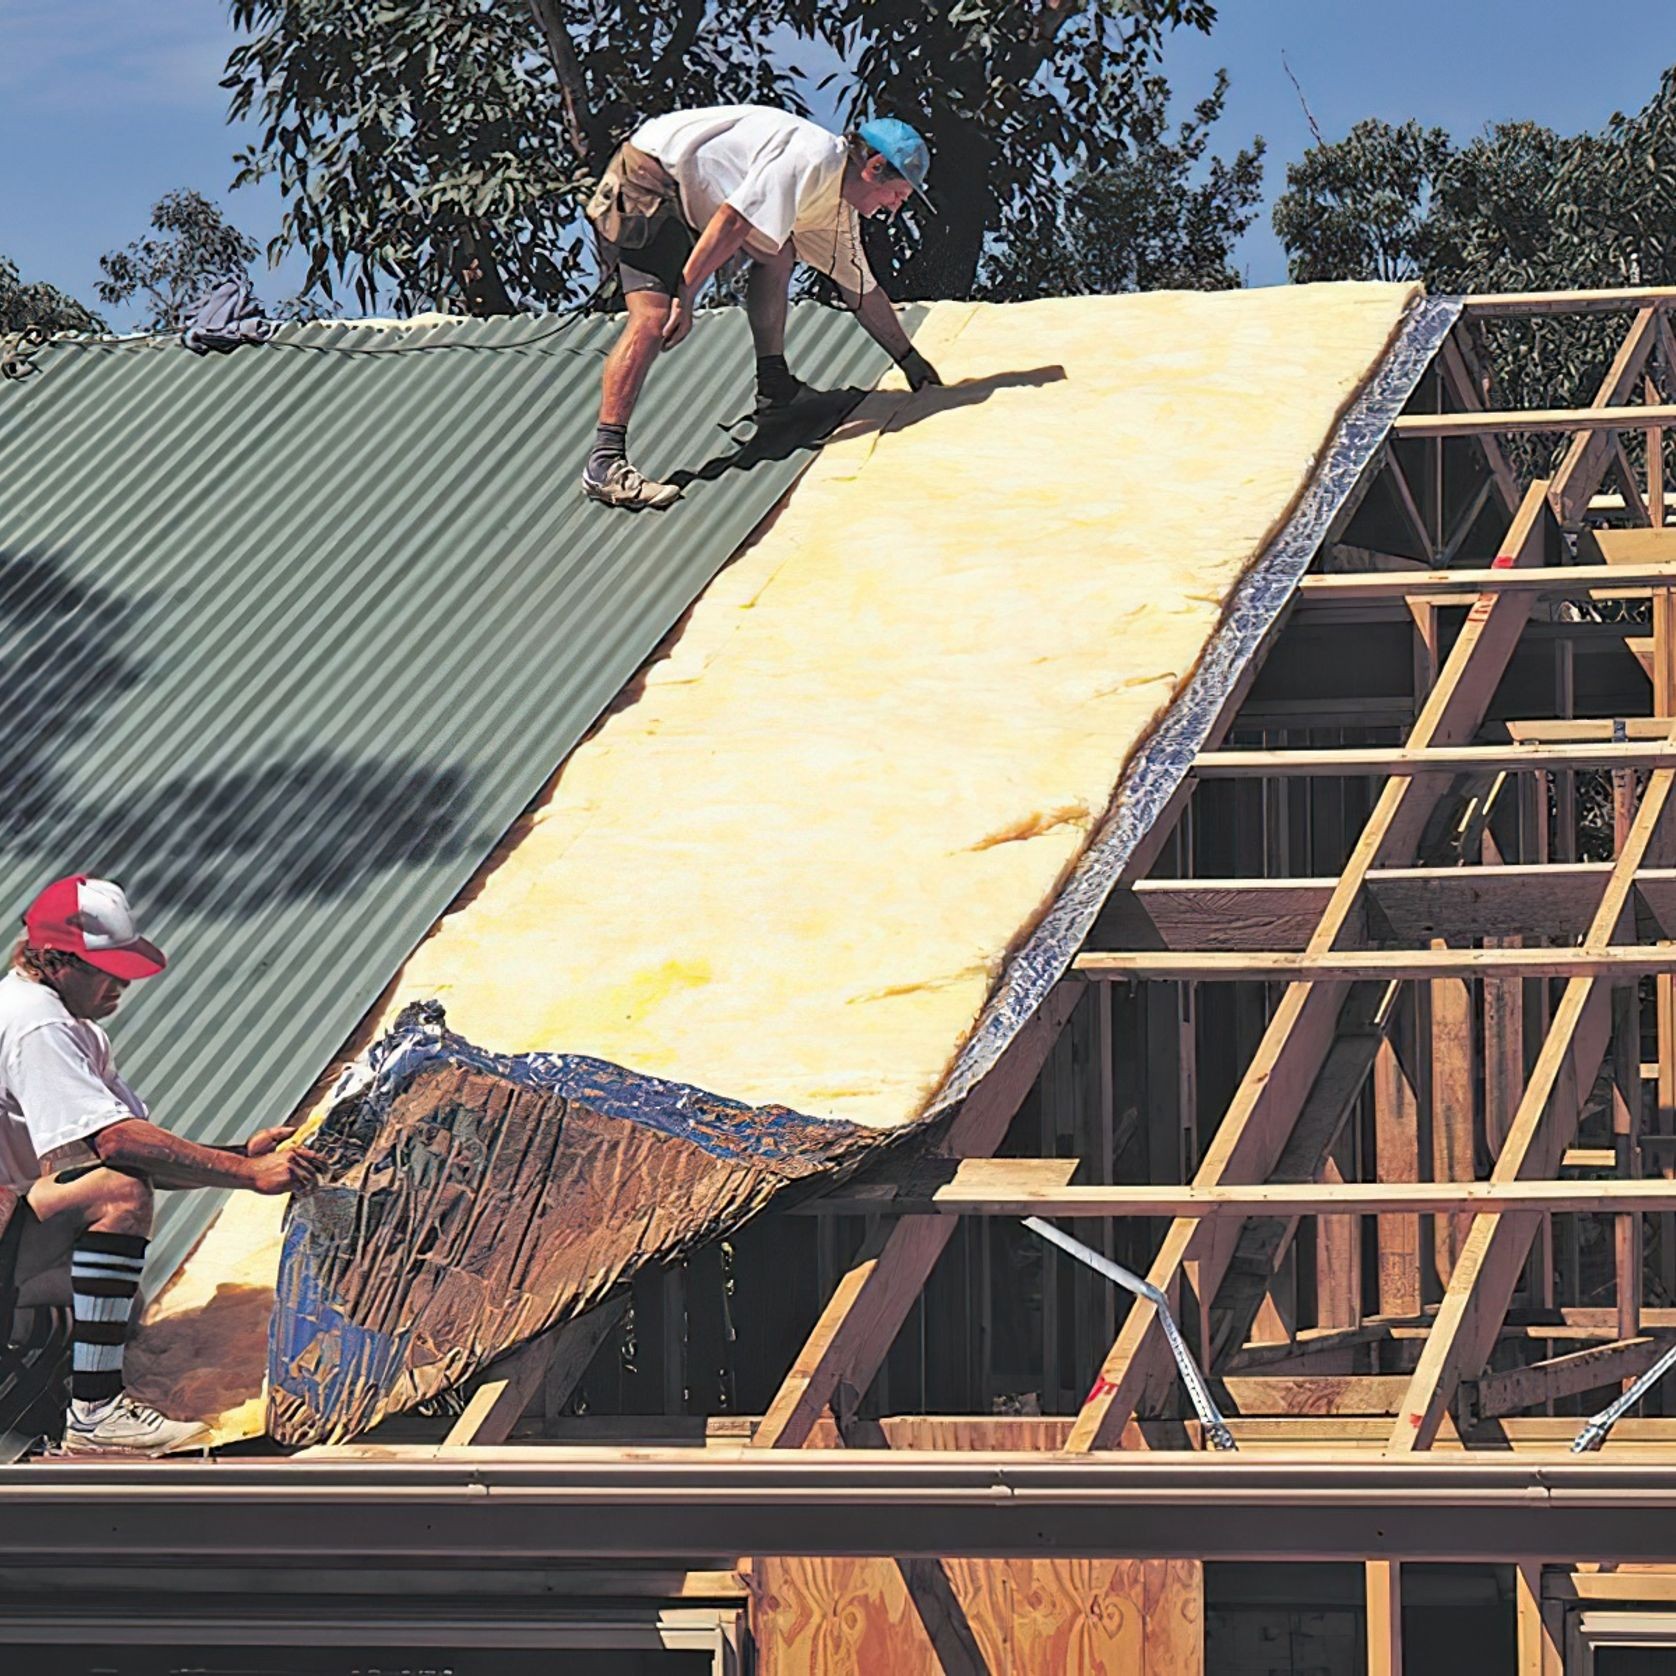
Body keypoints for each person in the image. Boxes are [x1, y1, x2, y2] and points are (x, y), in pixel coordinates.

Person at [0, 875, 323, 1455]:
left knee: (119, 1304)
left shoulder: (75, 1028)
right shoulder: (34, 1021)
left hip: (11, 1245)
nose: (122, 981)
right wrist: (250, 1177)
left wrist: (235, 1157)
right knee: (117, 1194)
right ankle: (95, 1416)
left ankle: (49, 1357)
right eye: (108, 968)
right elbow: (122, 1152)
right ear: (54, 960)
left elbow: (139, 1148)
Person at [581, 106, 945, 510]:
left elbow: (860, 290)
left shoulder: (834, 211)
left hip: (689, 194)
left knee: (778, 251)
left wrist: (911, 363)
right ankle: (604, 463)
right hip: (650, 177)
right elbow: (732, 222)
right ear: (874, 168)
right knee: (653, 318)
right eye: (896, 194)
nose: (895, 207)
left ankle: (776, 391)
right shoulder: (811, 157)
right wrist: (684, 295)